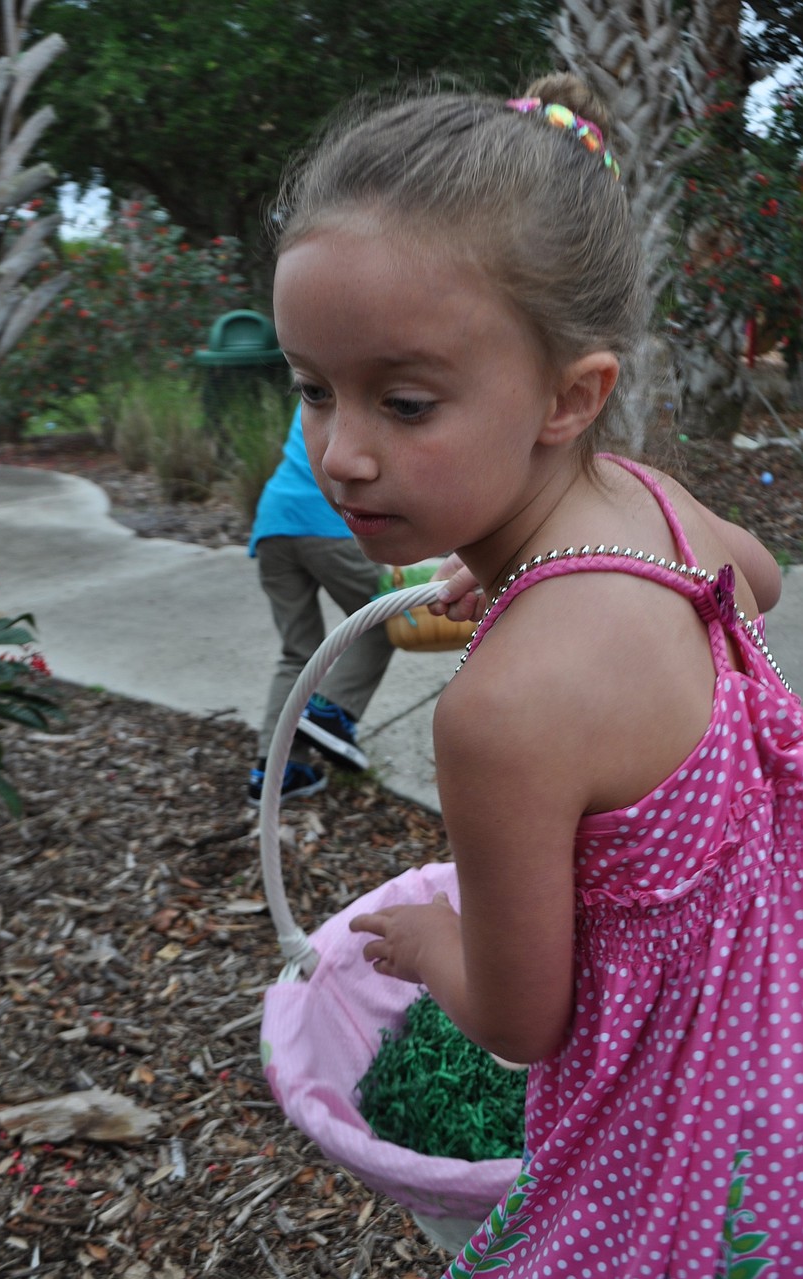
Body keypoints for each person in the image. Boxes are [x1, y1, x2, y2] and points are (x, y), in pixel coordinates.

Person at [270, 72, 803, 1276]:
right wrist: (514, 580)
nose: (340, 451)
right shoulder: (657, 504)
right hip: (774, 1040)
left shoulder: (506, 708)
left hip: (672, 1132)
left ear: (571, 395)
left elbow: (522, 1018)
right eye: (312, 386)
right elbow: (758, 581)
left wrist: (417, 940)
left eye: (406, 402)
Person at [248, 403, 395, 805]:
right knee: (384, 618)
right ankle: (332, 711)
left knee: (298, 652)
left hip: (273, 522)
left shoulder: (318, 391)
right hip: (324, 525)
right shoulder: (362, 389)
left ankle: (278, 772)